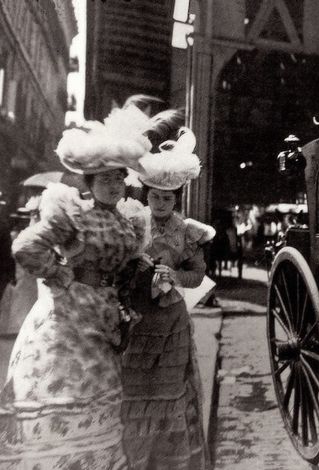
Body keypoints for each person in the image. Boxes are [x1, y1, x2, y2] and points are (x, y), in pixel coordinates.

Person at [0, 105, 152, 468]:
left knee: (101, 391)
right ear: (89, 183)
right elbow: (25, 247)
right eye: (105, 180)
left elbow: (128, 265)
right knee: (65, 386)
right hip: (67, 321)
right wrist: (57, 271)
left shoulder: (128, 221)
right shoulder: (73, 214)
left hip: (105, 320)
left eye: (118, 178)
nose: (114, 186)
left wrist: (137, 282)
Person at [121, 127, 215, 470]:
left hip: (171, 322)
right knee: (134, 390)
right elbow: (117, 263)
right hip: (136, 320)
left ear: (177, 198)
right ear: (147, 194)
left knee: (168, 391)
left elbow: (198, 274)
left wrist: (175, 276)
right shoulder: (132, 223)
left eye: (167, 199)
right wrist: (134, 261)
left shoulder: (187, 231)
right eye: (155, 197)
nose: (160, 204)